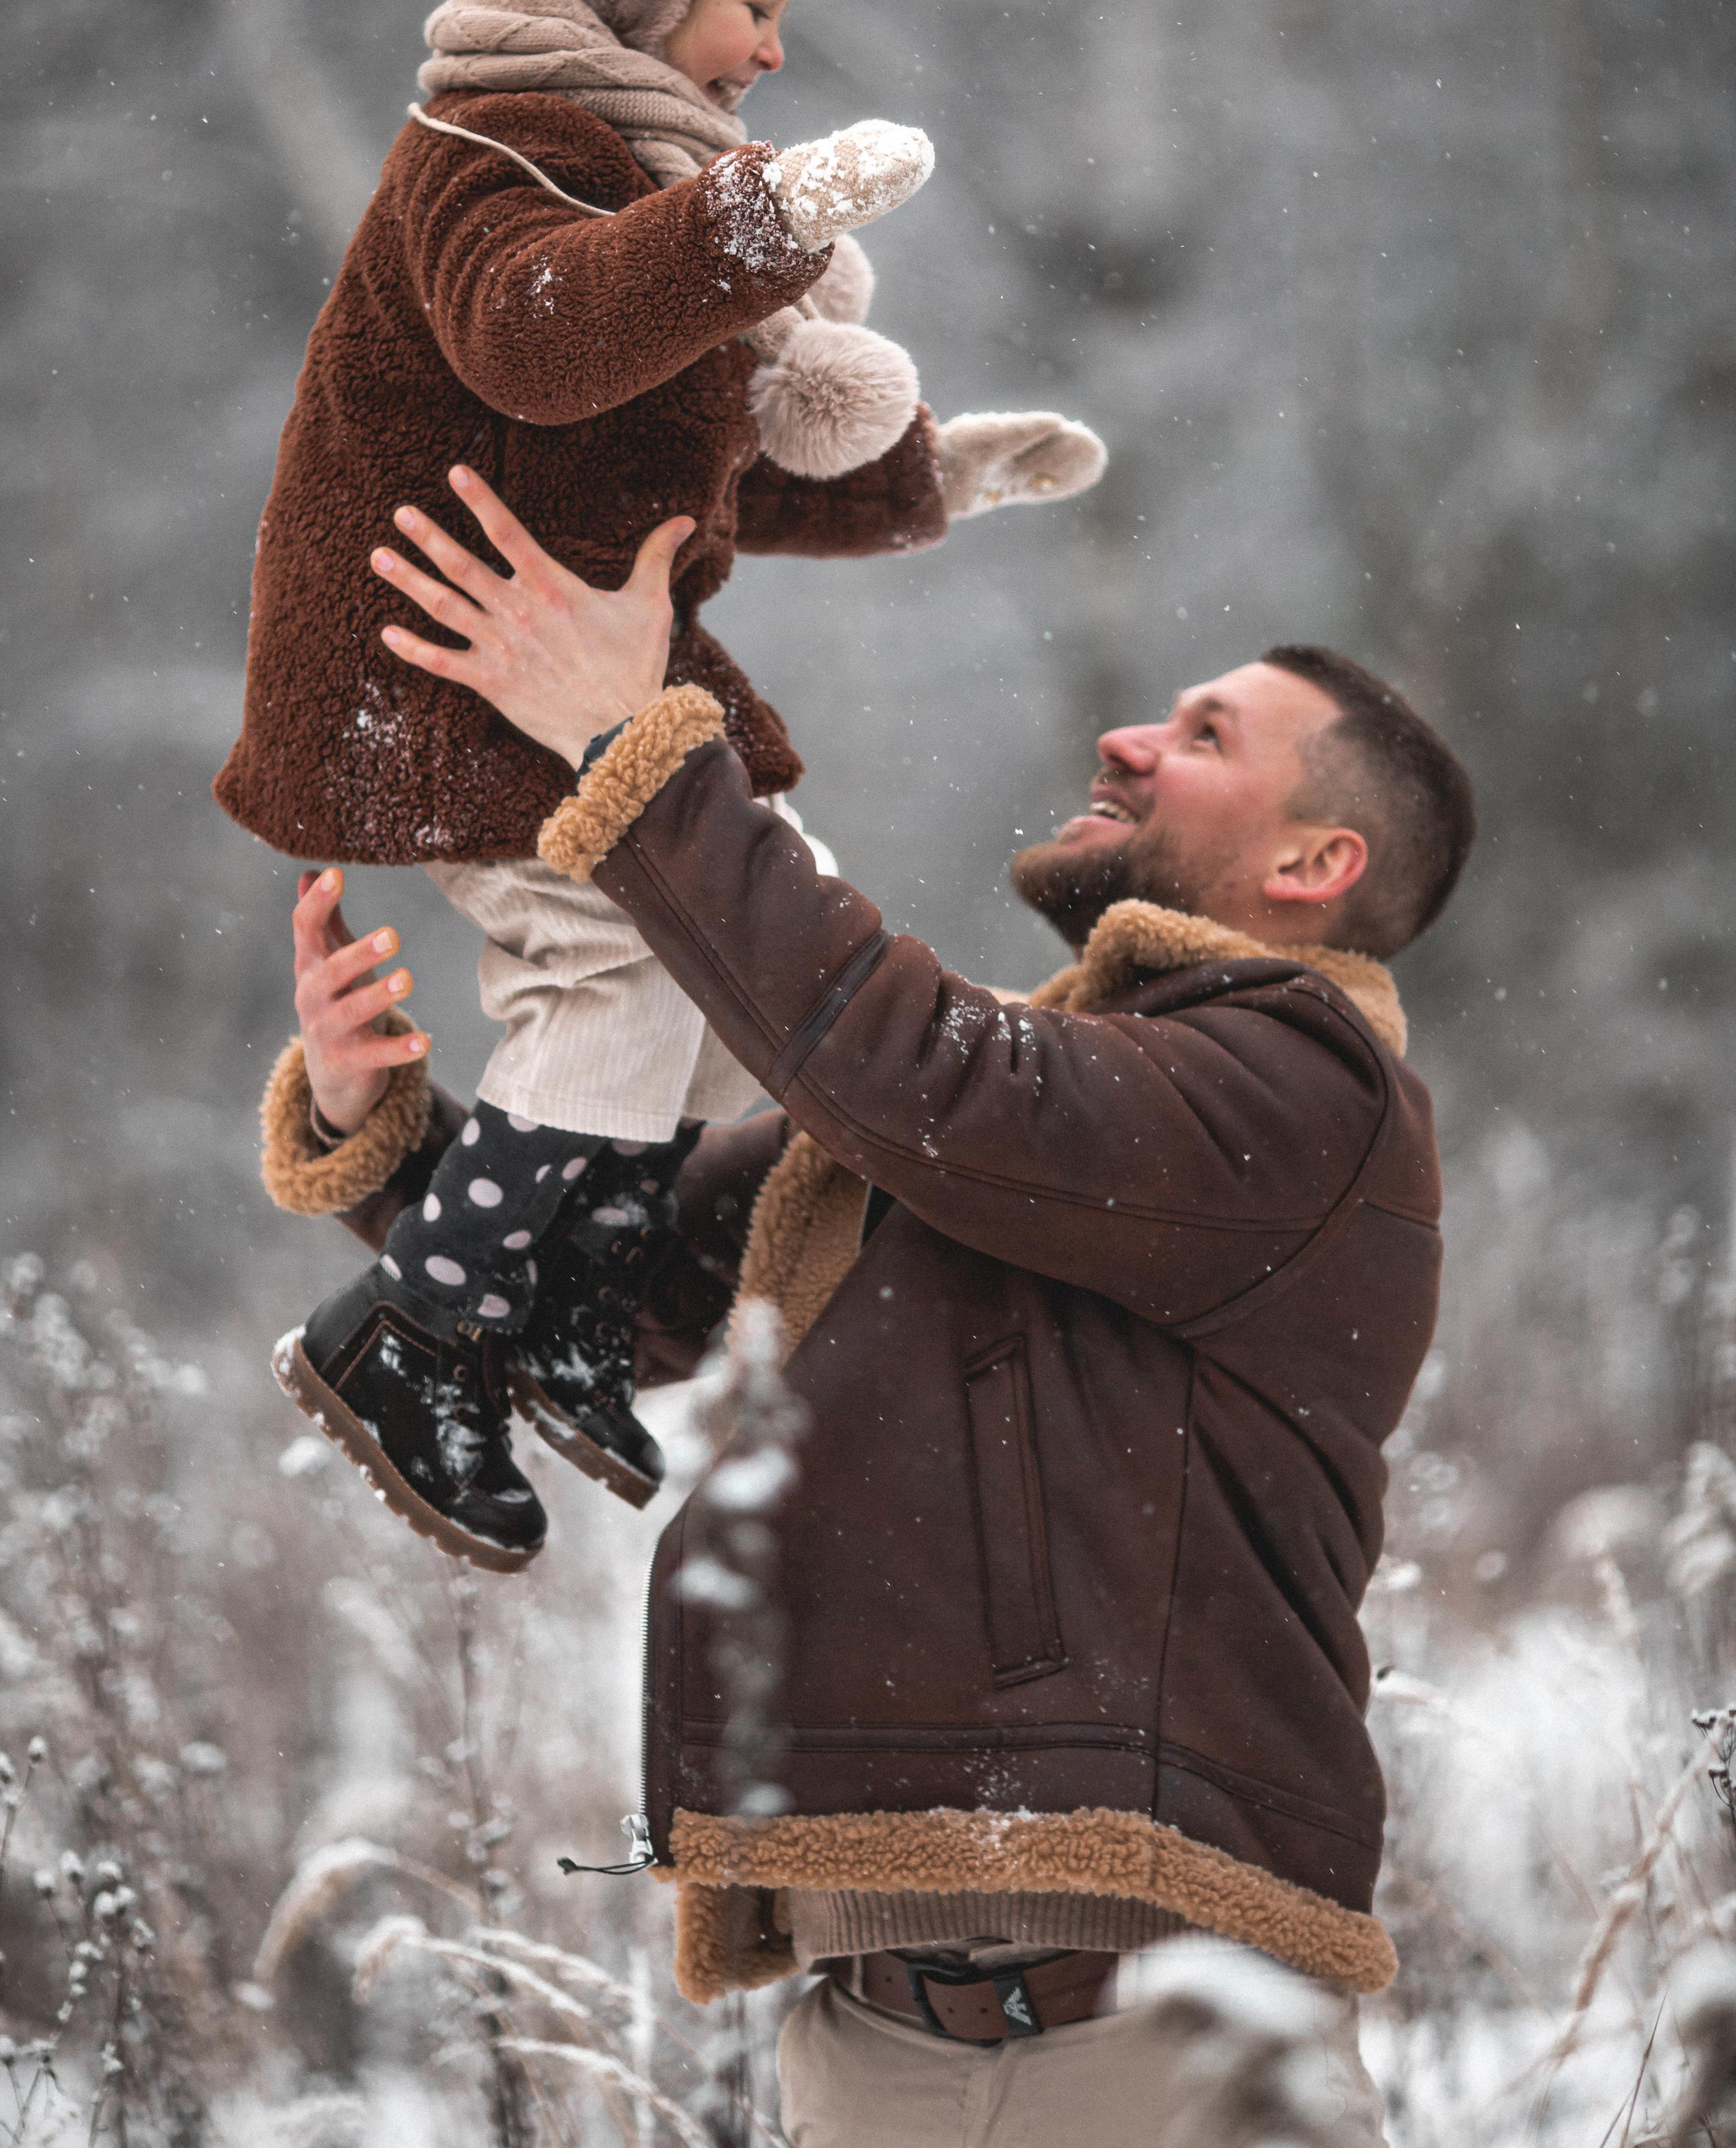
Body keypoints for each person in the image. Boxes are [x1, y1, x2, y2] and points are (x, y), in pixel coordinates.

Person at [256, 474, 1474, 2144]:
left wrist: (645, 751)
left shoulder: (1305, 1094)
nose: (1125, 738)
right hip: (865, 2049)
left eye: (1200, 735)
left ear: (1312, 860)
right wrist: (378, 1121)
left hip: (1166, 2048)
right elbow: (632, 1288)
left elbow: (925, 1076)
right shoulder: (1015, 1110)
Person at [214, 0, 1103, 1568]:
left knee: (714, 998)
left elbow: (704, 469)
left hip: (544, 685)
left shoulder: (635, 184)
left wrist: (935, 476)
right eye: (755, 1)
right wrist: (762, 227)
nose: (776, 53)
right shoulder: (497, 149)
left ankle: (552, 1310)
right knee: (612, 981)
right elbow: (543, 339)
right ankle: (417, 1331)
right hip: (440, 679)